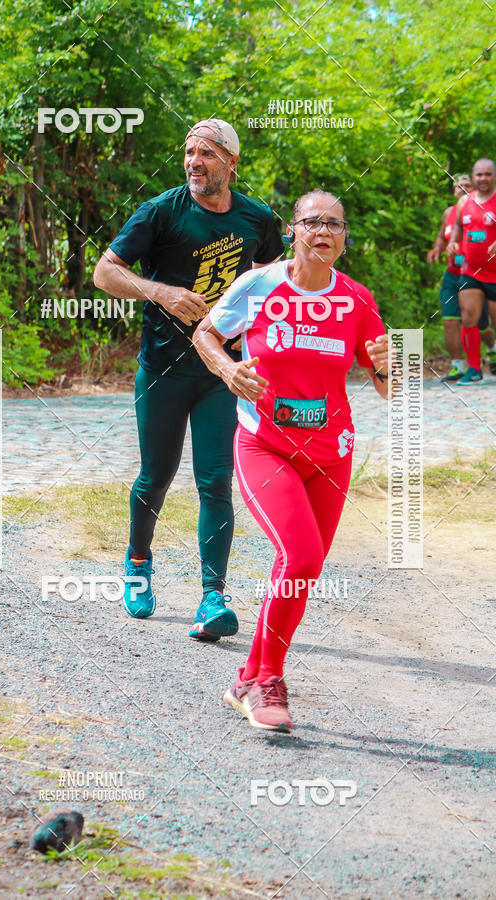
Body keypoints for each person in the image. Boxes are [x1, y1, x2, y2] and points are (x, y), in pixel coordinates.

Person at [193, 189, 391, 732]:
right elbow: (205, 333)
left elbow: (387, 387)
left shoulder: (357, 300)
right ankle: (268, 681)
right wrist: (228, 370)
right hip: (266, 445)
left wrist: (388, 366)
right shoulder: (259, 285)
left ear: (344, 240)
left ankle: (248, 678)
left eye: (335, 224)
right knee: (300, 558)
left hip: (331, 454)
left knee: (302, 570)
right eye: (313, 222)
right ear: (293, 231)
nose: (324, 231)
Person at [93, 118, 284, 640]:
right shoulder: (162, 211)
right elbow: (105, 272)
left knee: (215, 481)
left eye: (206, 153)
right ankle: (137, 563)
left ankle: (212, 597)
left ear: (231, 162)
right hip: (163, 369)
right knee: (155, 477)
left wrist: (255, 336)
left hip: (221, 371)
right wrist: (161, 293)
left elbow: (276, 283)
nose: (194, 162)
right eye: (189, 152)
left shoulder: (257, 218)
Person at [427, 173, 495, 381]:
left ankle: (491, 348)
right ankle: (460, 366)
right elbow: (442, 236)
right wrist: (438, 248)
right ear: (453, 190)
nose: (463, 188)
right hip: (454, 274)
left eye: (467, 184)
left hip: (482, 273)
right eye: (459, 185)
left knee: (482, 324)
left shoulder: (481, 208)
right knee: (453, 320)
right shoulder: (449, 213)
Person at [447, 158, 496, 384]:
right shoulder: (464, 201)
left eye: (487, 174)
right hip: (471, 271)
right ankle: (474, 369)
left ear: (493, 176)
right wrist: (453, 242)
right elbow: (458, 225)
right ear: (474, 177)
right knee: (468, 317)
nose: (483, 178)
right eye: (479, 174)